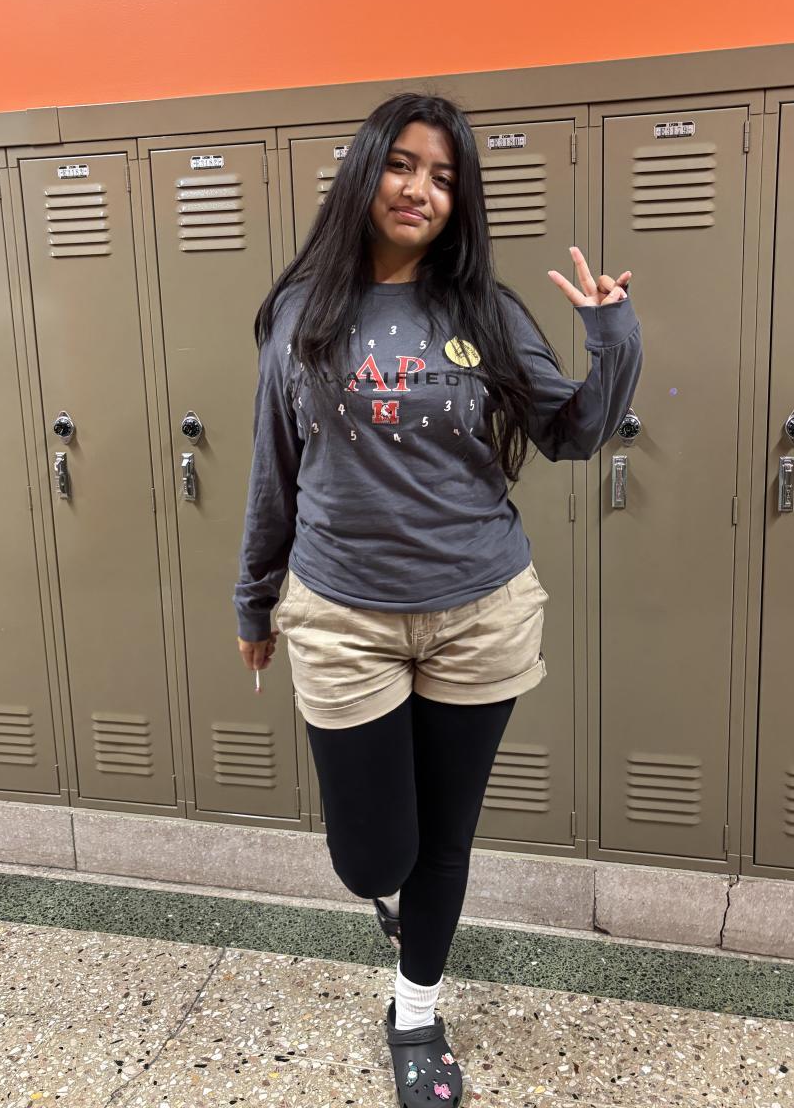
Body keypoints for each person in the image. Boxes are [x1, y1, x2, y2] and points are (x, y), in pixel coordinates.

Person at [233, 91, 642, 1106]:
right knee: (373, 853)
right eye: (403, 164)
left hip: (478, 611)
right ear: (365, 172)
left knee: (445, 842)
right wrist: (255, 598)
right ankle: (395, 892)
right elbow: (273, 467)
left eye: (446, 176)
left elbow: (574, 434)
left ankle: (415, 1012)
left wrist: (612, 336)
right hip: (342, 615)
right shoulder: (301, 314)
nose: (421, 189)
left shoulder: (486, 311)